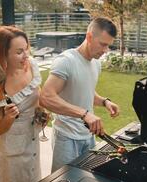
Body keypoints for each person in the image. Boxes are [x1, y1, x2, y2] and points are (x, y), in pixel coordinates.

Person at [40, 17, 120, 172]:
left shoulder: (96, 63)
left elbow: (86, 91)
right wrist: (84, 114)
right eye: (103, 44)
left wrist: (105, 102)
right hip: (66, 137)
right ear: (89, 36)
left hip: (88, 137)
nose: (105, 51)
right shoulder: (66, 61)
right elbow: (46, 97)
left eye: (108, 46)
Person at [0, 26, 45, 182]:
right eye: (19, 52)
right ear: (3, 54)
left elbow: (36, 95)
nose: (26, 56)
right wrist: (9, 117)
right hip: (11, 152)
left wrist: (41, 111)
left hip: (32, 141)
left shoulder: (30, 66)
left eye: (26, 49)